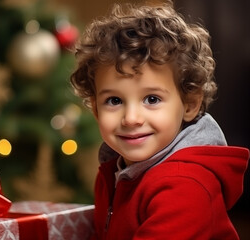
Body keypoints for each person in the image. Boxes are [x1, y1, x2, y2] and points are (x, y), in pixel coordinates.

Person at [70, 1, 249, 239]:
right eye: (114, 101)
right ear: (95, 108)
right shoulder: (117, 169)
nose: (131, 118)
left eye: (152, 99)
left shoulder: (184, 186)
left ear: (190, 104)